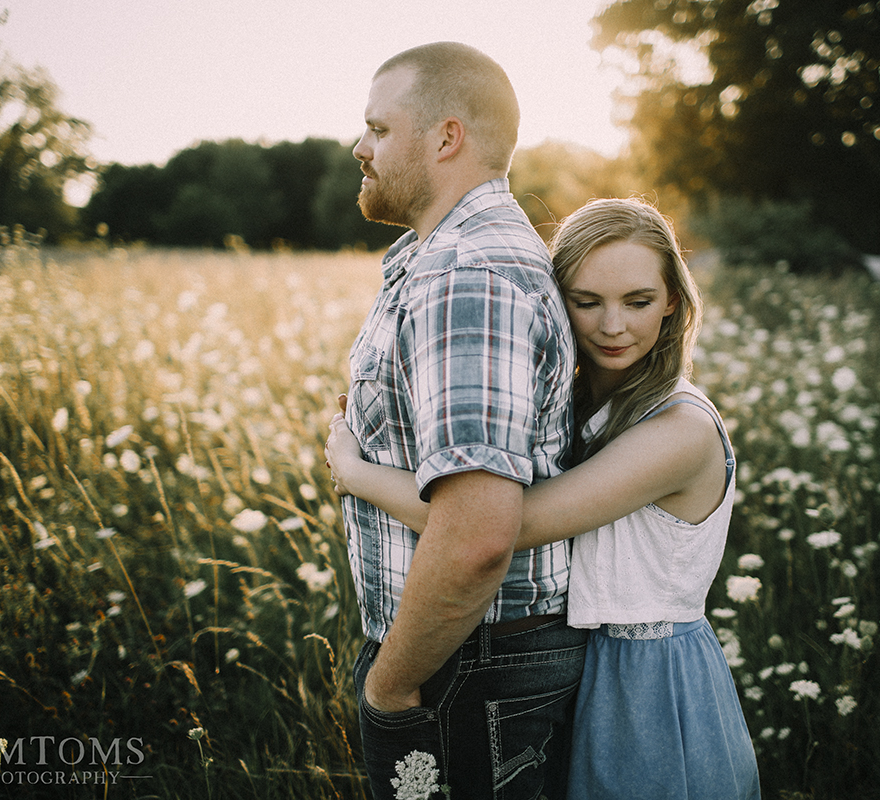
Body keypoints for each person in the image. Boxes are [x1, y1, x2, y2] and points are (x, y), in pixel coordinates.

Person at [328, 197, 762, 799]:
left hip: (649, 681)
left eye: (637, 302)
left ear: (672, 303)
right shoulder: (578, 408)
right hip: (577, 664)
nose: (613, 325)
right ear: (557, 304)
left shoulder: (680, 431)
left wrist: (356, 472)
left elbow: (499, 524)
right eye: (587, 302)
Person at [336, 41, 586, 799]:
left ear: (447, 137)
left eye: (378, 129)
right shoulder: (437, 258)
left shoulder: (464, 275)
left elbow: (478, 534)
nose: (359, 147)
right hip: (467, 655)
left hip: (464, 664)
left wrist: (390, 685)